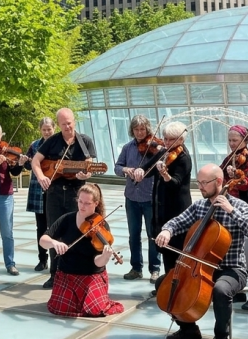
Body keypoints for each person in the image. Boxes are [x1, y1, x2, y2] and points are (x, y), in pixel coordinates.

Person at [155, 164, 248, 339]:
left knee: (221, 290)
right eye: (198, 182)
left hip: (232, 269)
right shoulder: (200, 206)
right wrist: (167, 230)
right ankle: (188, 329)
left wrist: (232, 211)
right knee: (164, 283)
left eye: (204, 182)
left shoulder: (239, 206)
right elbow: (178, 221)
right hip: (198, 269)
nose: (200, 186)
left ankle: (221, 335)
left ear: (219, 181)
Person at [31, 108, 97, 289]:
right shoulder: (52, 141)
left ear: (74, 121)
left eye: (69, 123)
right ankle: (54, 274)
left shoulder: (85, 141)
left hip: (77, 192)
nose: (67, 127)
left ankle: (74, 273)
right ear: (58, 125)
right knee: (54, 231)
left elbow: (90, 166)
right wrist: (41, 177)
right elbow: (35, 162)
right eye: (63, 124)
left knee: (76, 232)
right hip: (55, 193)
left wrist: (86, 174)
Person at [39, 183, 125, 317]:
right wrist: (54, 243)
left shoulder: (102, 225)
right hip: (67, 274)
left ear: (96, 203)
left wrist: (105, 257)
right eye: (80, 201)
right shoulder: (67, 219)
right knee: (60, 308)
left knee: (95, 310)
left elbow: (98, 262)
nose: (82, 206)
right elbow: (43, 241)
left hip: (91, 275)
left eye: (87, 203)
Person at [136, 121, 192, 275]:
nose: (166, 143)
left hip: (176, 209)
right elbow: (149, 166)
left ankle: (176, 284)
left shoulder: (184, 157)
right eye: (165, 138)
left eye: (171, 139)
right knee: (165, 249)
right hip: (161, 207)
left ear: (181, 140)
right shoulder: (164, 152)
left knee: (175, 249)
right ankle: (167, 282)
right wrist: (141, 170)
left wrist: (165, 174)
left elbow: (176, 183)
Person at [219, 125, 248, 311]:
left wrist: (235, 174)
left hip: (247, 212)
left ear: (245, 141)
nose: (231, 144)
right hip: (230, 214)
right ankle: (237, 292)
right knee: (232, 254)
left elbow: (246, 183)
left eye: (235, 141)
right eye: (229, 140)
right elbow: (220, 173)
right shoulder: (230, 158)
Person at [114, 114, 161, 283]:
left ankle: (155, 269)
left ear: (147, 129)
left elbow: (161, 166)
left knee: (152, 234)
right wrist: (127, 170)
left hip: (149, 197)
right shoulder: (127, 148)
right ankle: (136, 268)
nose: (140, 133)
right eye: (136, 129)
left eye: (142, 129)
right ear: (132, 130)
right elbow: (117, 167)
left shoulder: (155, 146)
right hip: (132, 197)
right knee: (133, 235)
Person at [0, 120, 27, 276]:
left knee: (7, 231)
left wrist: (20, 164)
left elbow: (14, 172)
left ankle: (10, 263)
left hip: (5, 194)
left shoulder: (6, 150)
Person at [25, 117, 55, 272]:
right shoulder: (35, 145)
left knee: (55, 226)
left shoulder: (58, 143)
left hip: (54, 189)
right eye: (44, 130)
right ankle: (42, 259)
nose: (47, 132)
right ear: (40, 130)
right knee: (41, 226)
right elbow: (27, 165)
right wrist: (24, 160)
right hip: (38, 189)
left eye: (49, 129)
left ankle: (57, 260)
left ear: (54, 129)